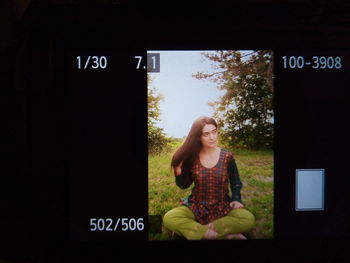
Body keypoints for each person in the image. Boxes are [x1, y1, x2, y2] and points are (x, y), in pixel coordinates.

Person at [162, 116, 255, 240]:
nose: (212, 137)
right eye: (206, 134)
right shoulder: (192, 158)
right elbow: (184, 185)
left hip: (223, 205)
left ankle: (200, 231)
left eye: (214, 132)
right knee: (169, 218)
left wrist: (236, 198)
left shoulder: (227, 156)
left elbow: (235, 181)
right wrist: (178, 170)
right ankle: (220, 235)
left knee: (248, 219)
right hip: (196, 206)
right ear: (198, 137)